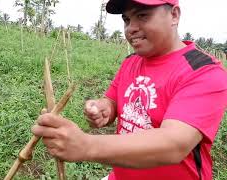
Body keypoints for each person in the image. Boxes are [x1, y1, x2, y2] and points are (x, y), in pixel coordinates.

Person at [32, 0, 227, 179]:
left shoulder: (203, 71)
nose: (131, 28)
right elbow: (113, 100)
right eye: (126, 19)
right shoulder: (131, 62)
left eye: (142, 15)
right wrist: (103, 108)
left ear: (174, 15)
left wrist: (86, 145)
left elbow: (174, 144)